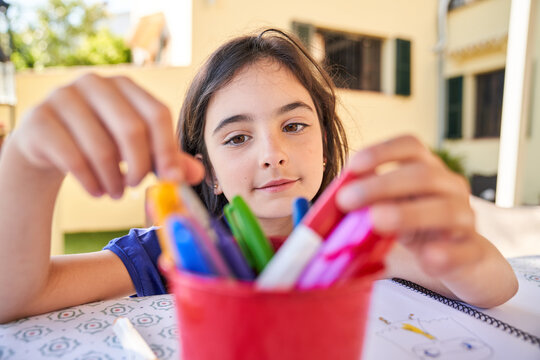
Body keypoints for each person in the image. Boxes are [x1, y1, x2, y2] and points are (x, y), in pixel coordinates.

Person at [0, 29, 517, 323]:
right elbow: (16, 297)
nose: (273, 154)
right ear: (210, 171)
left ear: (325, 140)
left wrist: (463, 252)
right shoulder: (170, 254)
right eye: (237, 138)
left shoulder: (353, 242)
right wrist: (27, 164)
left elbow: (495, 287)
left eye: (294, 125)